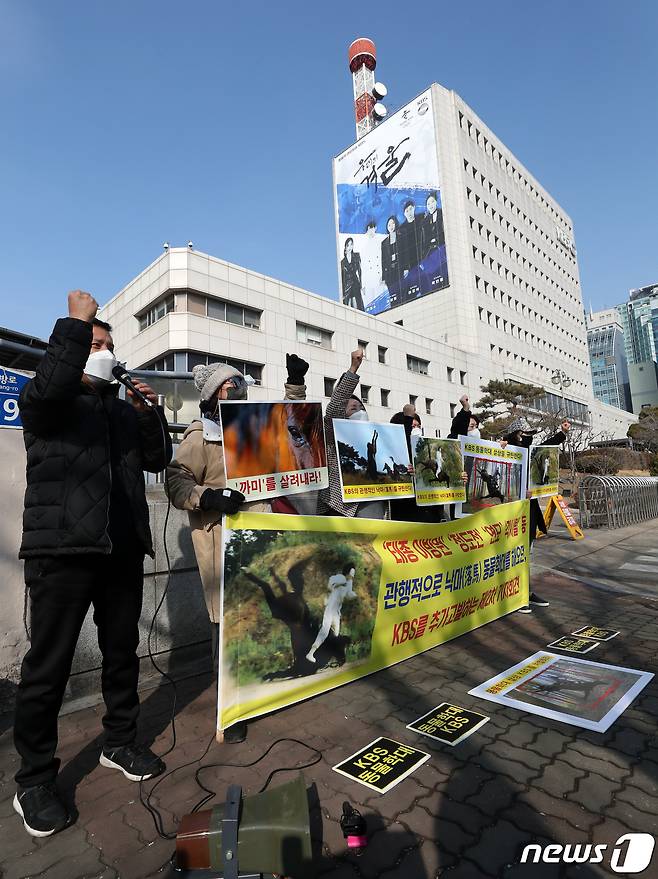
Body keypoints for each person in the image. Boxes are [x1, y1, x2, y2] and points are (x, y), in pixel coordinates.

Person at [13, 291, 172, 838]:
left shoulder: (118, 411)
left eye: (107, 345)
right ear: (73, 348)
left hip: (120, 550)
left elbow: (156, 460)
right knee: (49, 667)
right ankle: (34, 779)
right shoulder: (47, 400)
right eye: (93, 344)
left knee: (121, 652)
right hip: (62, 549)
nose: (101, 352)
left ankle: (120, 742)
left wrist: (148, 415)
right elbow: (53, 381)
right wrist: (76, 324)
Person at [165, 353, 308, 741]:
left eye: (241, 385)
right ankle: (229, 710)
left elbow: (290, 423)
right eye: (231, 386)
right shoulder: (200, 435)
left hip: (258, 536)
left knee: (259, 616)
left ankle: (257, 689)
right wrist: (207, 497)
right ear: (213, 395)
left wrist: (294, 383)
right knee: (228, 624)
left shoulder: (251, 429)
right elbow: (176, 481)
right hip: (221, 540)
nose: (239, 391)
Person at [502, 416, 571, 613]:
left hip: (529, 514)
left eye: (530, 435)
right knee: (511, 557)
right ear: (515, 435)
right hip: (508, 516)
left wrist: (562, 433)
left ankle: (526, 592)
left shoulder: (530, 454)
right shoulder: (504, 452)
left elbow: (546, 446)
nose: (528, 438)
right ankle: (511, 596)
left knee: (526, 556)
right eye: (524, 435)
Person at [319, 349, 387, 519]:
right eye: (352, 408)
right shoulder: (331, 432)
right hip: (341, 505)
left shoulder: (378, 436)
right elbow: (335, 407)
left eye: (360, 407)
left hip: (372, 497)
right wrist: (353, 368)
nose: (359, 410)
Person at [306, 565, 357, 664]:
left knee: (336, 634)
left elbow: (349, 594)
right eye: (351, 573)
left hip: (336, 613)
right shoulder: (340, 577)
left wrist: (354, 595)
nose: (352, 576)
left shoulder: (349, 582)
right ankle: (311, 653)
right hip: (330, 609)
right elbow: (330, 584)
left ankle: (331, 656)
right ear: (347, 572)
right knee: (324, 631)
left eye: (353, 574)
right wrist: (339, 584)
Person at [420, 190, 447, 293]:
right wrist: (422, 259)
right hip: (429, 253)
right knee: (432, 279)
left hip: (441, 249)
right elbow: (423, 241)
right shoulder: (425, 221)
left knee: (443, 276)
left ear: (436, 202)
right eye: (428, 203)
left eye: (432, 202)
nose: (430, 205)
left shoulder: (442, 213)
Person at [398, 199, 424, 303]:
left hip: (422, 257)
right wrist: (405, 267)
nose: (409, 212)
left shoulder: (421, 219)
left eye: (410, 209)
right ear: (404, 213)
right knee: (411, 287)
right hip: (410, 262)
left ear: (414, 209)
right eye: (406, 210)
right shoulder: (401, 228)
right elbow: (402, 251)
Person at [381, 215, 403, 306]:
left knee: (402, 293)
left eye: (392, 223)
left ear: (396, 224)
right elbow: (383, 261)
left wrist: (406, 268)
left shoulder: (401, 236)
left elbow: (405, 254)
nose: (391, 226)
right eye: (389, 225)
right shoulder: (384, 242)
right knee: (393, 296)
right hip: (390, 273)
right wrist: (383, 277)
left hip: (400, 269)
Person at [340, 238, 364, 310]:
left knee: (357, 306)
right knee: (348, 307)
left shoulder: (356, 256)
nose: (350, 247)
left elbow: (360, 271)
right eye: (348, 245)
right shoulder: (342, 262)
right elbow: (342, 278)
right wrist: (343, 292)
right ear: (345, 247)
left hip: (355, 283)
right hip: (347, 286)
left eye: (351, 244)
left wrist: (361, 285)